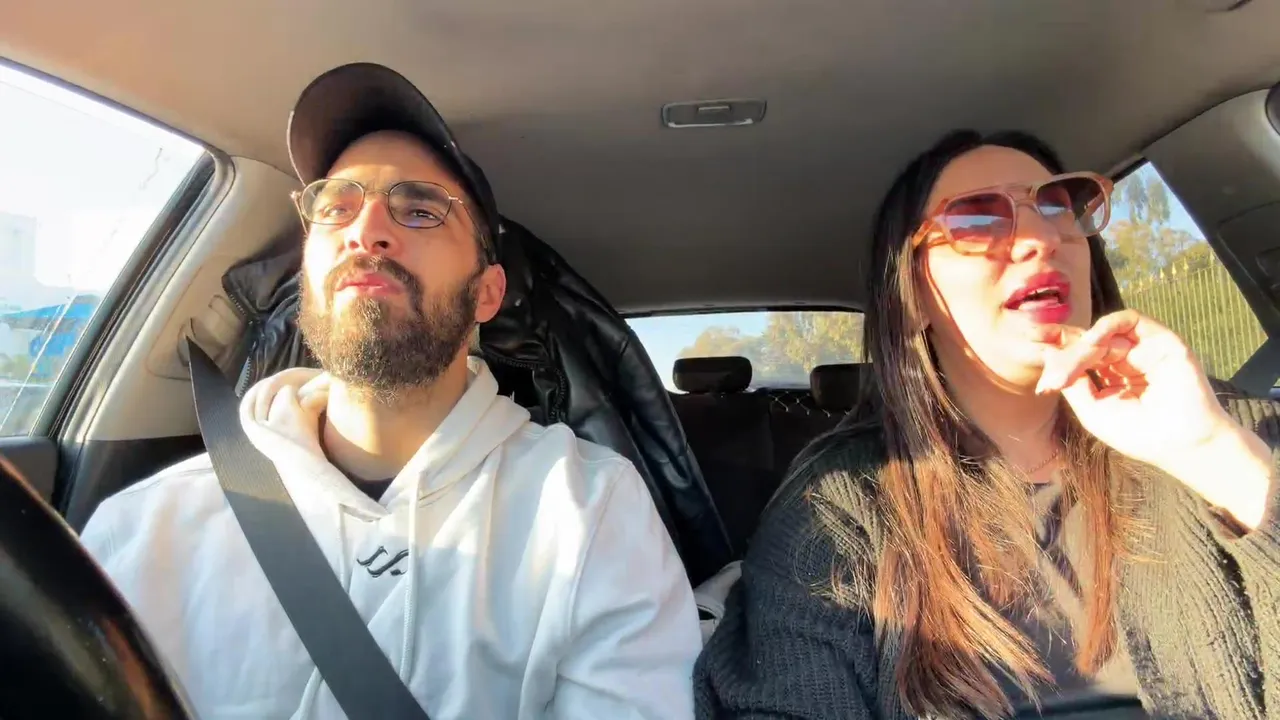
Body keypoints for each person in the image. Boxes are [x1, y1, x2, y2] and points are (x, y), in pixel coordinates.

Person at [80, 63, 700, 720]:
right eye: (335, 207)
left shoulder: (591, 512)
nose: (366, 230)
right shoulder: (148, 528)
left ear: (487, 294)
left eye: (420, 210)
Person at [694, 130, 1280, 719]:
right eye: (975, 220)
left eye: (1056, 206)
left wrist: (1210, 452)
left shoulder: (1225, 429)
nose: (1040, 238)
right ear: (913, 298)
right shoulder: (834, 508)